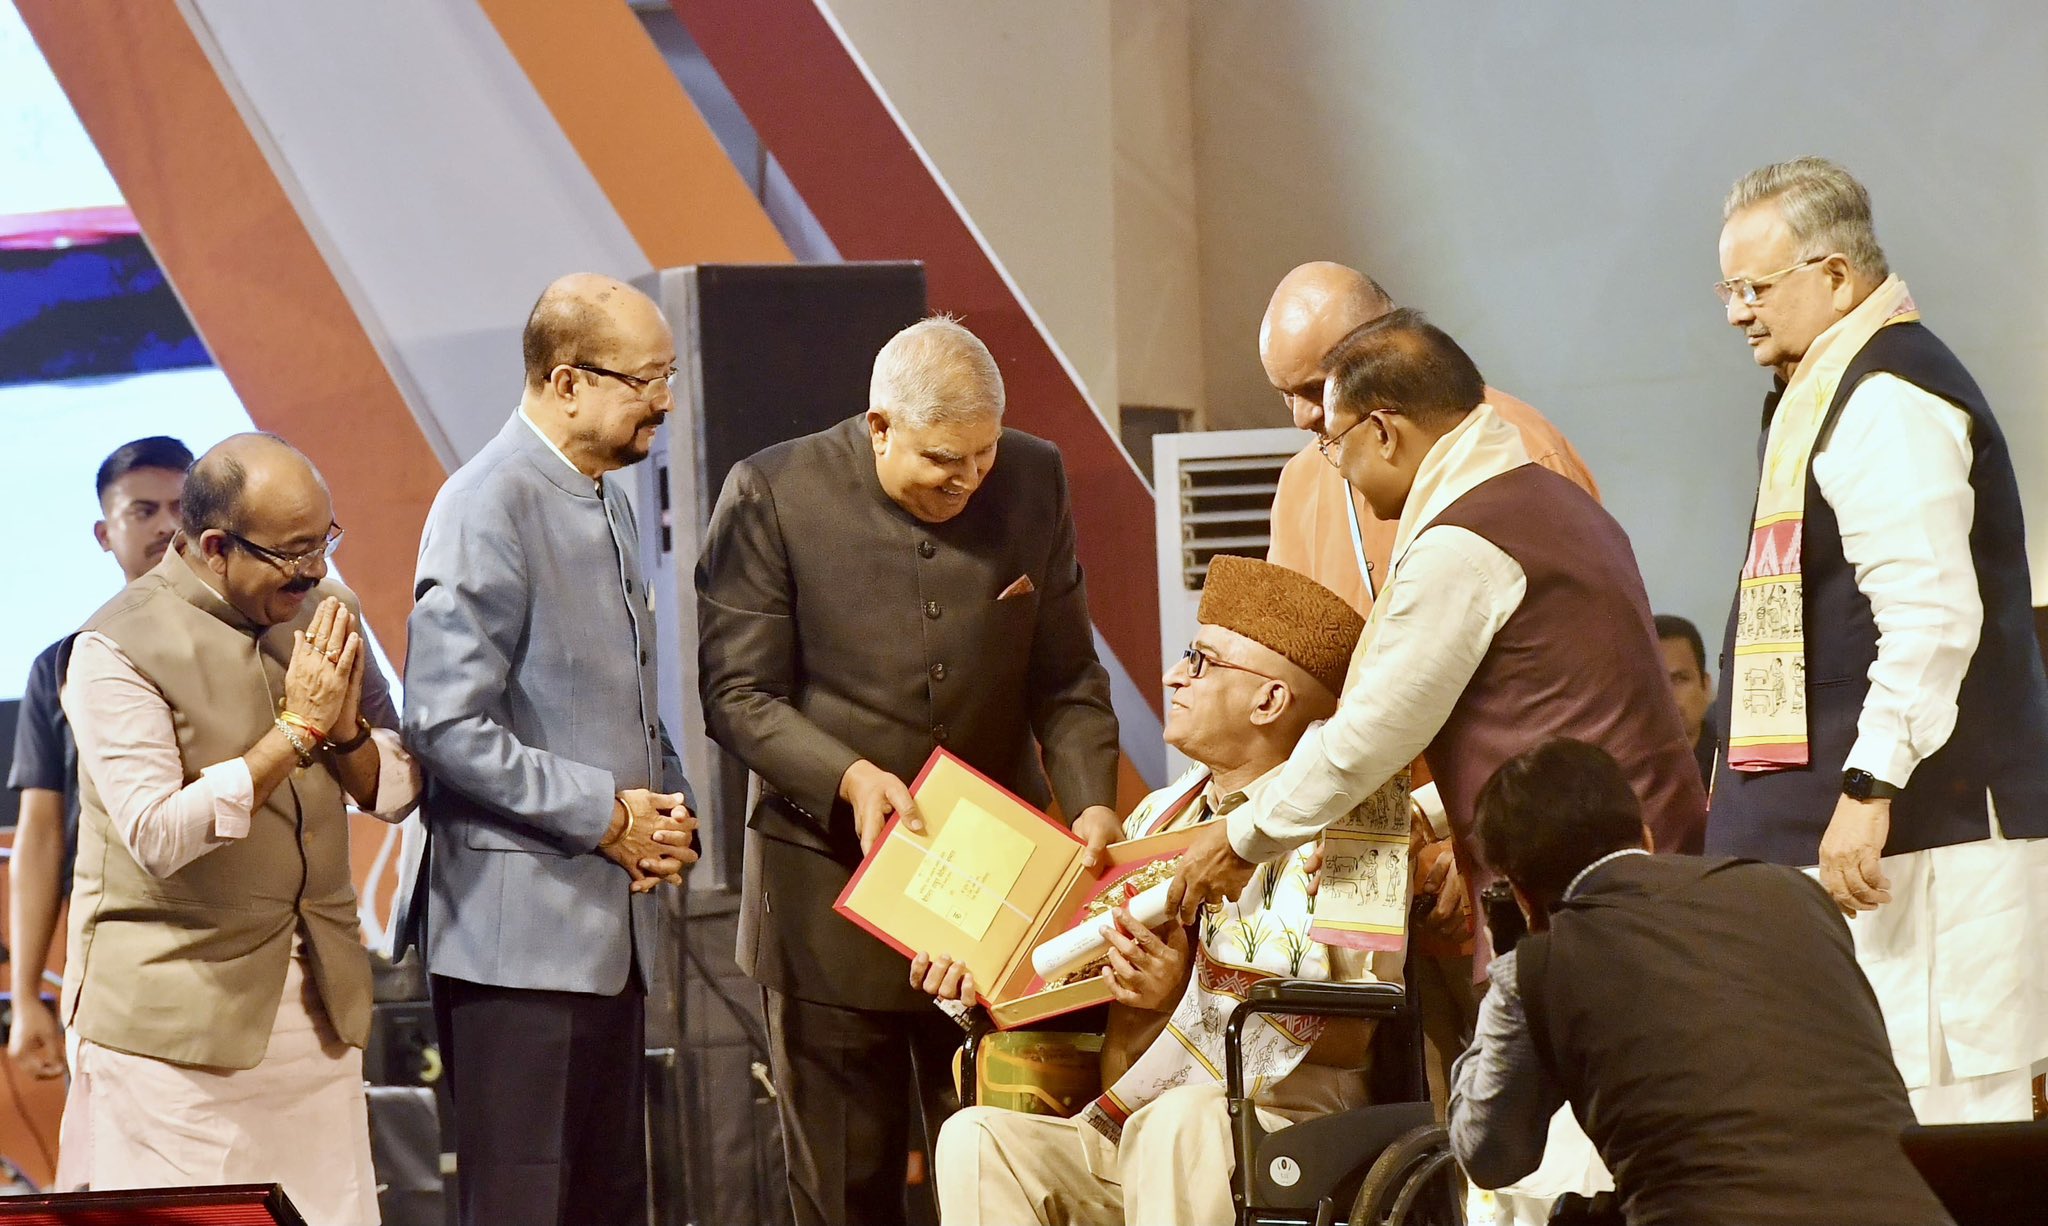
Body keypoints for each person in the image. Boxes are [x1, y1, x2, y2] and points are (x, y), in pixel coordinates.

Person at [697, 316, 1123, 1226]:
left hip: (995, 907)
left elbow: (1068, 677)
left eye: (982, 456)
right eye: (941, 459)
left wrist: (1093, 806)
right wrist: (847, 775)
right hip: (828, 903)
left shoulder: (1036, 478)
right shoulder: (771, 493)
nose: (967, 480)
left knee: (1000, 1177)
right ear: (878, 425)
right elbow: (737, 694)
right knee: (846, 1195)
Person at [1170, 309, 1705, 962]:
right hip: (1640, 856)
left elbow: (1372, 731)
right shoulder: (1552, 499)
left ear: (1383, 431)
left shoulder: (1465, 542)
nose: (1335, 467)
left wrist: (1243, 838)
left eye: (1333, 443)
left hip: (1589, 887)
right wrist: (1423, 814)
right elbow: (1541, 709)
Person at [1705, 157, 2048, 1123]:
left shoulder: (1888, 395)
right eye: (1727, 290)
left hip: (1920, 843)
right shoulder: (1830, 388)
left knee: (1935, 1130)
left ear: (1838, 277)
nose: (1737, 313)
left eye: (1755, 288)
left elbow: (1933, 616)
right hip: (1866, 851)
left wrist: (1868, 786)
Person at [925, 556, 1406, 1226]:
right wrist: (980, 975)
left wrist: (1188, 989)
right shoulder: (1157, 818)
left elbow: (1355, 1034)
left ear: (1269, 700)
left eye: (1201, 661)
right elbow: (1122, 1039)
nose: (1173, 675)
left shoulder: (1360, 822)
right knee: (978, 1140)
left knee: (1178, 1122)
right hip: (1143, 1122)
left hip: (1289, 1124)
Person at [1259, 261, 1601, 1105]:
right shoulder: (1306, 477)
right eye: (1284, 395)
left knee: (1525, 1121)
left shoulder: (1516, 453)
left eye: (1316, 387)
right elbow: (1288, 677)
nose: (1304, 418)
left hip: (1508, 847)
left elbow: (1559, 695)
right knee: (1406, 1131)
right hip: (1361, 861)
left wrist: (1464, 840)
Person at [58, 433, 419, 1224]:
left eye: (324, 541)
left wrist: (346, 736)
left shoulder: (330, 614)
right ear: (215, 547)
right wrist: (294, 734)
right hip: (172, 1038)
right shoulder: (112, 648)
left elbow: (397, 785)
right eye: (292, 554)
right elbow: (156, 833)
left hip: (319, 1015)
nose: (316, 571)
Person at [400, 273, 698, 1226]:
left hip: (609, 936)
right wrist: (605, 815)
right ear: (566, 382)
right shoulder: (483, 502)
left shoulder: (604, 497)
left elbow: (621, 698)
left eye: (670, 375)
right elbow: (444, 724)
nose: (664, 401)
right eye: (645, 379)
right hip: (514, 952)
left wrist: (669, 812)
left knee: (606, 1204)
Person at [1449, 739, 1952, 1226]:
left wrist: (1507, 970)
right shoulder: (1794, 893)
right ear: (1645, 836)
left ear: (1519, 893)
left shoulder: (1543, 966)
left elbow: (1490, 1155)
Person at [8, 435, 192, 1086]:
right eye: (143, 511)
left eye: (182, 506)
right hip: (118, 966)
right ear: (103, 533)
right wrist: (29, 993)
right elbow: (40, 836)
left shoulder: (264, 643)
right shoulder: (63, 665)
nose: (168, 525)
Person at [1653, 614, 1715, 787]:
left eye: (1680, 679)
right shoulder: (1616, 772)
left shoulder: (1732, 769)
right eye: (1655, 681)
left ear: (1706, 686)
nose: (1667, 695)